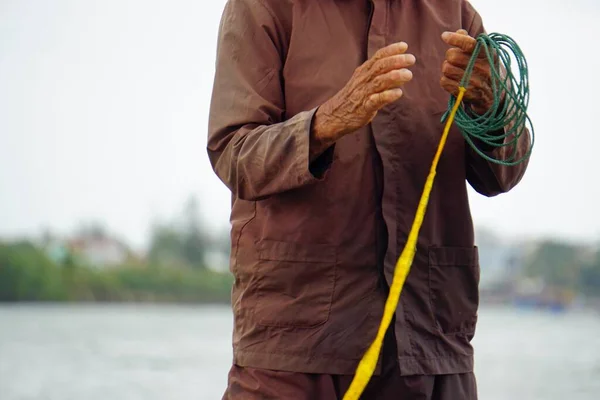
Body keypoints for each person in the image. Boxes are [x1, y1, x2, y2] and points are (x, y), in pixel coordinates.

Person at [207, 0, 531, 398]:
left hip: (432, 348)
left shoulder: (457, 15)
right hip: (293, 349)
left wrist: (491, 105)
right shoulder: (262, 7)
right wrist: (325, 123)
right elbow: (233, 152)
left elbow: (504, 172)